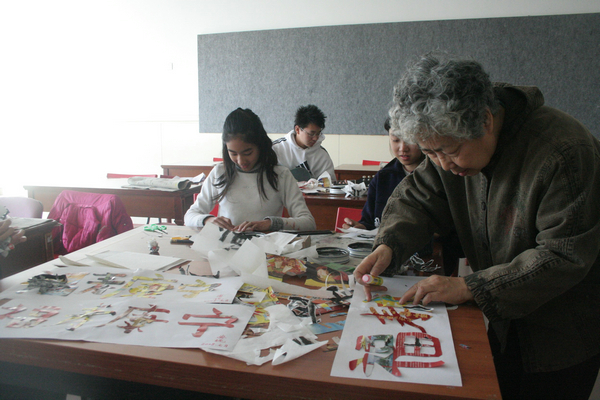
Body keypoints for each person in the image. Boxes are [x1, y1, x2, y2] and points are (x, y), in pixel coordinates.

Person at [354, 52, 600, 399]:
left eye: (449, 151)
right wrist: (389, 245)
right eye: (431, 153)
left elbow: (563, 255)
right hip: (503, 319)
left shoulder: (564, 152)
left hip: (563, 328)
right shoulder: (448, 139)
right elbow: (418, 197)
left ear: (485, 120)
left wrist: (470, 286)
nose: (443, 163)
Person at [185, 108, 316, 232]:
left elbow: (308, 223)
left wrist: (270, 224)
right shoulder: (220, 172)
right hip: (227, 245)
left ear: (260, 146)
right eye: (233, 153)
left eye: (247, 153)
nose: (241, 161)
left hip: (265, 246)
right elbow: (190, 216)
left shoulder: (280, 175)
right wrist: (208, 220)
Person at [342, 117, 425, 231]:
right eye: (395, 140)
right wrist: (360, 228)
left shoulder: (435, 176)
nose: (403, 148)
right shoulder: (382, 177)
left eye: (409, 140)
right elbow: (370, 222)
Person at [272, 104, 335, 180]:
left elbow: (329, 182)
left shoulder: (321, 154)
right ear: (297, 129)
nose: (315, 138)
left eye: (318, 133)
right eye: (311, 134)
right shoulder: (276, 149)